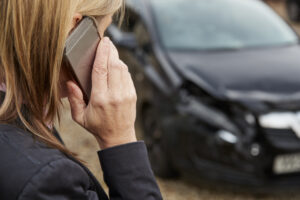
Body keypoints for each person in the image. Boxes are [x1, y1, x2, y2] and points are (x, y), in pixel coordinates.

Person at [0, 0, 163, 199]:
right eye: (102, 32)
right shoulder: (45, 180)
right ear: (73, 29)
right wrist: (120, 140)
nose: (104, 43)